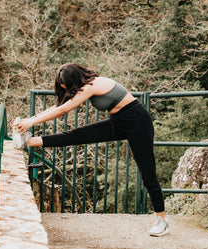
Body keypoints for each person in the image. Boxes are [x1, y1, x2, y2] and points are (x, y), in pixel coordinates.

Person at [12, 63, 169, 237]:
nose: (65, 89)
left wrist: (31, 122)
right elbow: (60, 105)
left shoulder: (91, 85)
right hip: (118, 121)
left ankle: (161, 220)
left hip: (137, 122)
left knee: (148, 173)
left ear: (74, 80)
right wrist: (30, 119)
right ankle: (29, 141)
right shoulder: (86, 85)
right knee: (77, 135)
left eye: (66, 85)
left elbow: (63, 110)